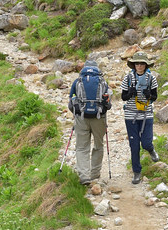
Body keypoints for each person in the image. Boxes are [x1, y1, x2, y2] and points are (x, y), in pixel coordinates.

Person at [67, 61, 111, 185]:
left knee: (81, 147)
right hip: (99, 118)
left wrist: (76, 114)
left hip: (81, 118)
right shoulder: (102, 82)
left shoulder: (77, 82)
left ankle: (84, 176)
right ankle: (95, 173)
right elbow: (108, 103)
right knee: (98, 145)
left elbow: (71, 101)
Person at [120, 51, 160, 185]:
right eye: (137, 63)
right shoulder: (128, 78)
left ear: (146, 65)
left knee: (146, 142)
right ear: (134, 65)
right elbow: (123, 97)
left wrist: (149, 95)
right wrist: (130, 93)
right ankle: (137, 172)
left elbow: (155, 97)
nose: (139, 66)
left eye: (142, 63)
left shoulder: (151, 78)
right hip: (131, 115)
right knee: (134, 145)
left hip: (146, 114)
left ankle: (151, 149)